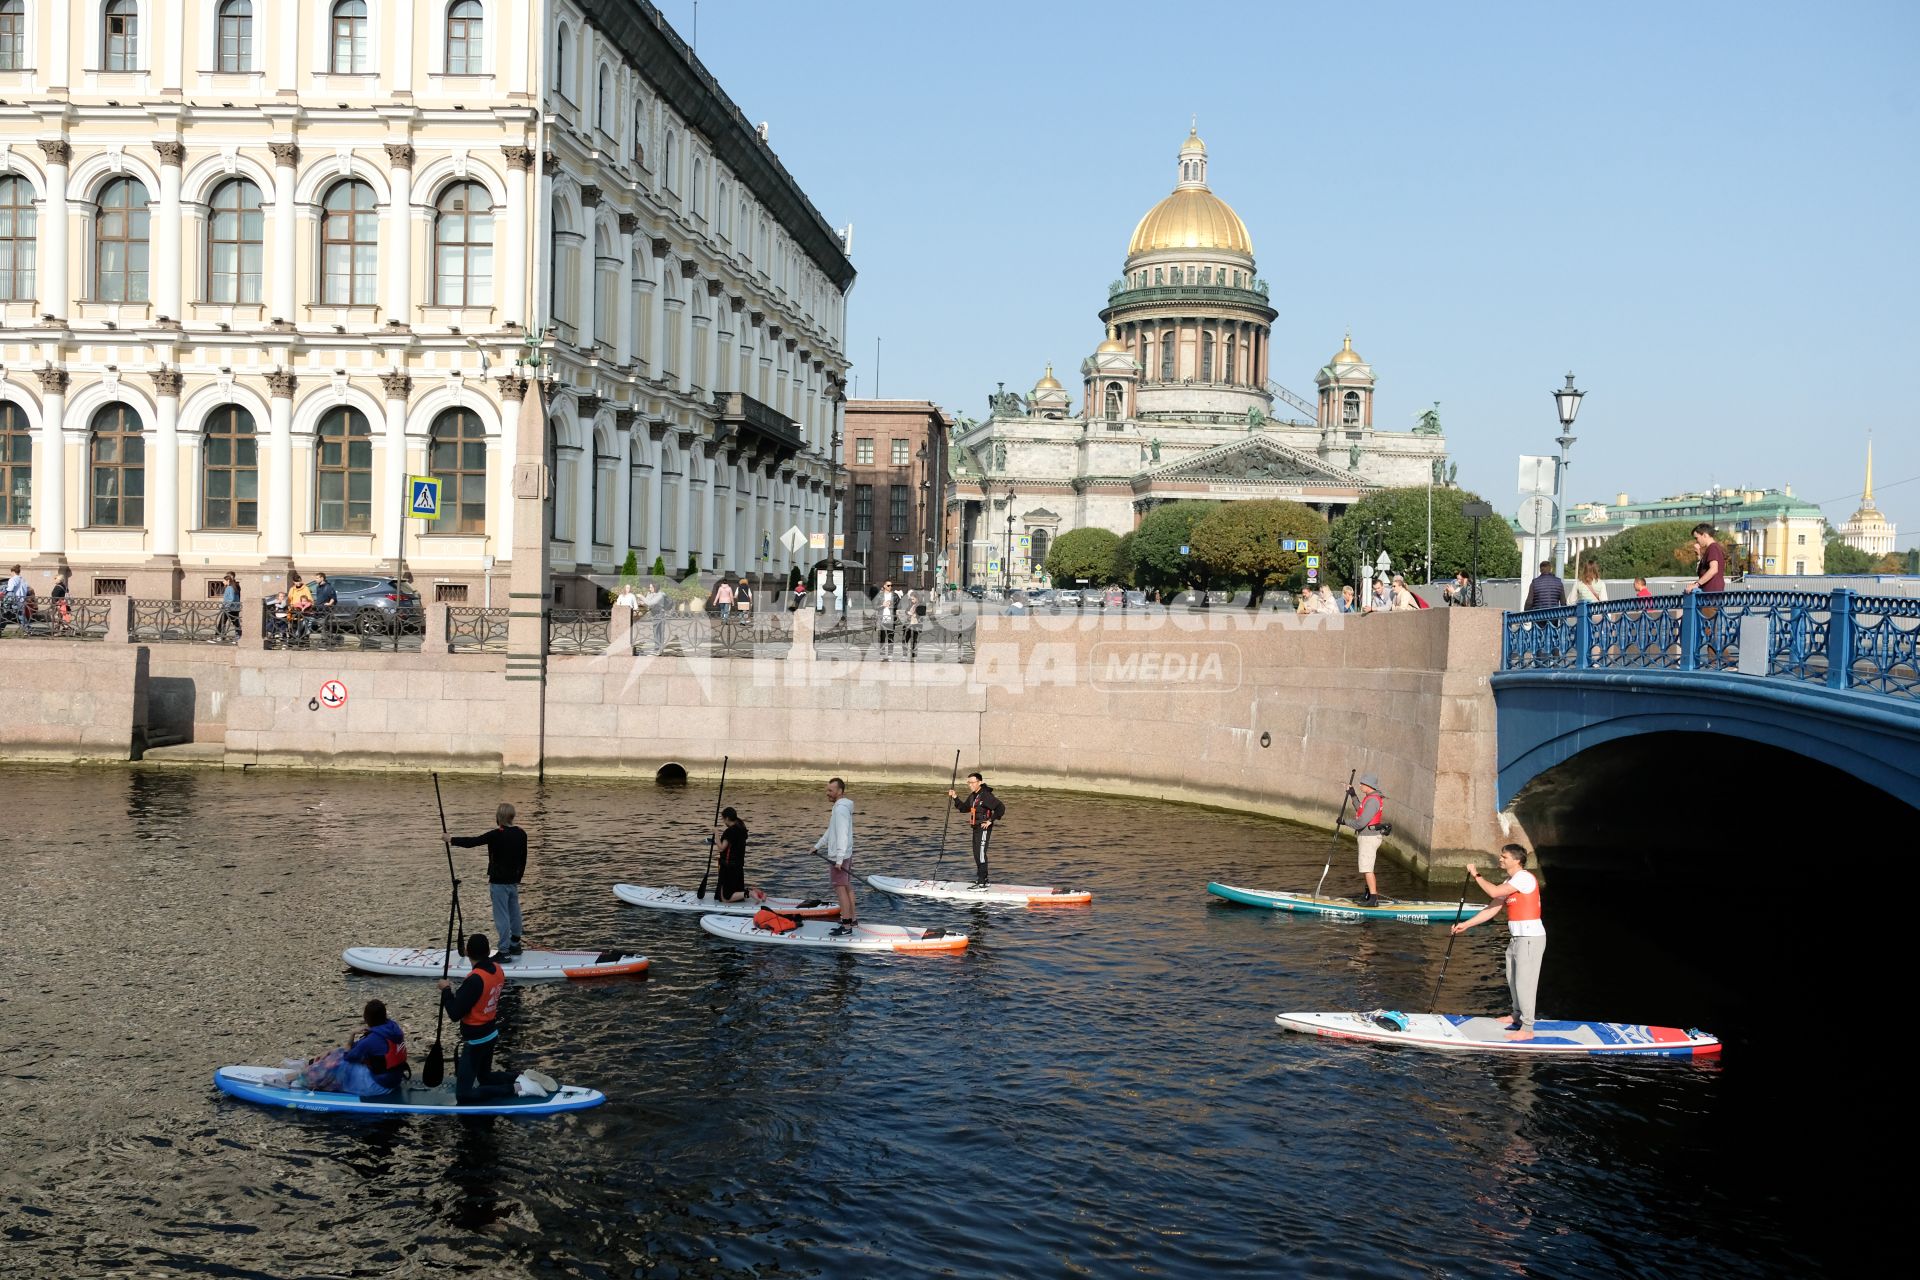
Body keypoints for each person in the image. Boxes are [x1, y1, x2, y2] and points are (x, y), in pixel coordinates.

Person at [1448, 844, 1545, 1041]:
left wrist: (1476, 875)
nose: (1500, 859)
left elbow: (1492, 892)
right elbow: (1492, 908)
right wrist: (1466, 924)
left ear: (1516, 860)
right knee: (1512, 979)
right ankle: (1516, 1016)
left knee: (1525, 983)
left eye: (1504, 857)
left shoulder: (1524, 878)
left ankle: (1527, 1028)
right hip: (1517, 938)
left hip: (1530, 939)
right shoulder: (1511, 881)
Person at [437, 934, 517, 1103]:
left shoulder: (475, 980)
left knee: (463, 1095)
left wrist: (446, 990)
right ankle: (520, 1077)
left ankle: (514, 1088)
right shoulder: (498, 969)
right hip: (491, 1034)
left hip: (476, 1041)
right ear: (488, 951)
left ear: (466, 952)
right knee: (485, 1077)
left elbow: (454, 1013)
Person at [449, 803, 528, 959]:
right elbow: (523, 858)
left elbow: (473, 842)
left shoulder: (496, 834)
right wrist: (519, 877)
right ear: (512, 817)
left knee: (502, 916)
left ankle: (504, 951)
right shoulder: (521, 833)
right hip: (513, 881)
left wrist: (451, 839)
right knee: (514, 911)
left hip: (498, 883)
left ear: (498, 817)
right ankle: (515, 944)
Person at [811, 777, 858, 935]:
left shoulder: (840, 809)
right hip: (845, 854)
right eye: (827, 790)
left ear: (839, 791)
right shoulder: (840, 808)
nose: (827, 793)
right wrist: (817, 846)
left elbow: (843, 835)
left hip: (840, 856)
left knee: (840, 889)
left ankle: (846, 926)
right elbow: (831, 830)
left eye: (830, 790)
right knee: (846, 886)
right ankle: (852, 919)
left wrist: (838, 860)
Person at [948, 771, 1007, 888]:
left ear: (979, 782)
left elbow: (1000, 807)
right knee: (976, 854)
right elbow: (964, 808)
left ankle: (982, 881)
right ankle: (982, 878)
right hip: (975, 828)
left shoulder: (985, 795)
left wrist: (991, 820)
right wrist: (955, 797)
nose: (970, 785)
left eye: (972, 782)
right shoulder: (973, 795)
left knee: (980, 854)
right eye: (968, 783)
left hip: (984, 827)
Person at [1342, 774, 1390, 904]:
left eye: (1362, 783)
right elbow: (1361, 810)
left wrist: (1344, 822)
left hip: (1369, 838)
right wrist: (1353, 795)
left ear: (1368, 785)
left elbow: (1361, 823)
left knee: (1367, 868)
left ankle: (1373, 898)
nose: (1360, 785)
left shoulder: (1373, 801)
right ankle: (1368, 894)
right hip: (1366, 836)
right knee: (1365, 867)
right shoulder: (1369, 798)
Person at [714, 806, 749, 902]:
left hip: (729, 867)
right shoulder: (741, 828)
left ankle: (749, 893)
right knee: (721, 894)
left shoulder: (730, 831)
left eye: (723, 819)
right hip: (738, 866)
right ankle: (744, 894)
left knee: (725, 898)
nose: (723, 822)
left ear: (727, 818)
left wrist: (716, 833)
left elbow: (721, 848)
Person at [1683, 523, 1727, 595]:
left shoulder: (1713, 548)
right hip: (1711, 592)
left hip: (1711, 593)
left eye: (1697, 538)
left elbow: (1713, 569)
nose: (1696, 541)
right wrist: (1699, 555)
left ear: (1705, 535)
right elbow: (1703, 570)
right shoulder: (1713, 548)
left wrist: (1696, 584)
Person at [875, 579, 904, 660]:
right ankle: (882, 654)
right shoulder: (880, 595)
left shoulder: (895, 596)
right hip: (882, 619)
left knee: (890, 637)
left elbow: (899, 606)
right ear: (884, 586)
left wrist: (891, 605)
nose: (890, 587)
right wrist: (882, 605)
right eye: (888, 585)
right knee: (882, 638)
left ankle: (890, 655)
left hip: (891, 620)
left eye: (891, 585)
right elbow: (875, 607)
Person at [212, 572, 242, 642]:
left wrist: (225, 606)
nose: (223, 581)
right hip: (234, 608)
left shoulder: (231, 587)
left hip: (229, 608)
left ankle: (219, 636)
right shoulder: (234, 586)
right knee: (234, 623)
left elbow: (231, 598)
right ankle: (237, 636)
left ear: (230, 578)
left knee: (223, 622)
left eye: (224, 579)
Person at [640, 581, 667, 653]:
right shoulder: (650, 594)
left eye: (651, 587)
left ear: (655, 587)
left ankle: (660, 648)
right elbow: (648, 603)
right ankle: (657, 647)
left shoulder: (660, 595)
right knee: (655, 631)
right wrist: (643, 603)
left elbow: (650, 603)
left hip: (660, 614)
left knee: (660, 631)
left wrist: (641, 597)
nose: (650, 588)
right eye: (649, 587)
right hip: (654, 613)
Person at [904, 588, 926, 659]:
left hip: (916, 625)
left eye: (913, 599)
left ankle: (913, 656)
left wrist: (915, 614)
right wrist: (908, 613)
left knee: (914, 641)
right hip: (909, 624)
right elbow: (906, 610)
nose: (911, 601)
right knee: (904, 640)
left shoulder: (921, 605)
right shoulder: (911, 604)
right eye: (911, 599)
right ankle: (905, 655)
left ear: (917, 598)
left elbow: (922, 613)